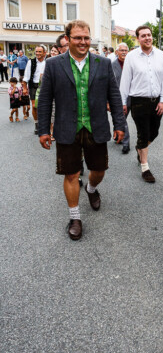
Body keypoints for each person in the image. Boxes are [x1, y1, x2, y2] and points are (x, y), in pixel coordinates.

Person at [38, 19, 125, 241]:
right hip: (67, 127)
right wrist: (43, 130)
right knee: (71, 174)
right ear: (67, 39)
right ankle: (75, 217)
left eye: (86, 37)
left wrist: (119, 124)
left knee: (99, 170)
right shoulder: (54, 64)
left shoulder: (103, 63)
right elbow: (46, 99)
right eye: (77, 38)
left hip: (96, 125)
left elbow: (114, 97)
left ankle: (92, 189)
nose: (83, 42)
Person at [119, 25, 163, 183]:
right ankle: (145, 167)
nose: (147, 38)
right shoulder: (132, 57)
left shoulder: (161, 55)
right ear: (138, 38)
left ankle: (140, 147)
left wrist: (162, 100)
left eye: (149, 35)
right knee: (143, 133)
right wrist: (122, 102)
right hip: (138, 101)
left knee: (153, 133)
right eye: (143, 36)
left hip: (156, 102)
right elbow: (125, 80)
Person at [22, 45, 47, 135]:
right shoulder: (30, 62)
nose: (37, 53)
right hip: (33, 85)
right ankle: (37, 124)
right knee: (34, 105)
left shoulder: (48, 62)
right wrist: (24, 88)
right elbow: (26, 76)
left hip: (45, 86)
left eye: (40, 52)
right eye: (36, 51)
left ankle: (45, 124)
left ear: (44, 53)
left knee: (45, 106)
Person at [111, 43, 130, 153]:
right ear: (116, 52)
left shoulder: (131, 64)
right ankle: (123, 140)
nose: (123, 52)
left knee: (121, 119)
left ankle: (122, 139)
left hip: (130, 96)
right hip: (117, 97)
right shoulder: (112, 65)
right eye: (121, 50)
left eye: (125, 50)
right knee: (121, 119)